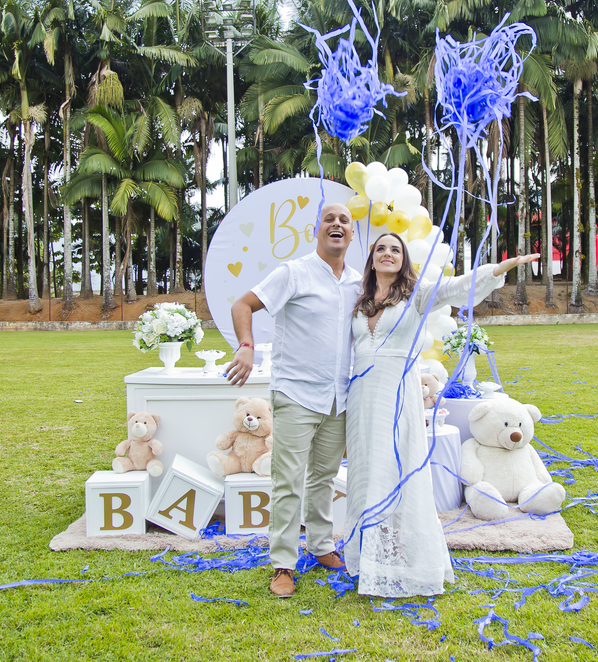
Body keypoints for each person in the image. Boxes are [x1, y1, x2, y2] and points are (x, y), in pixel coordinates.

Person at [345, 231, 538, 597]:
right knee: (366, 470)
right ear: (372, 259)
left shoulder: (416, 295)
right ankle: (369, 555)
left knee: (398, 468)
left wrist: (499, 269)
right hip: (361, 397)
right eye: (381, 249)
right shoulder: (359, 300)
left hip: (397, 394)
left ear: (403, 259)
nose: (387, 254)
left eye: (395, 249)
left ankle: (404, 556)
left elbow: (457, 287)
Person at [225, 202, 360, 599]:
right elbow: (242, 304)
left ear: (352, 234)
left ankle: (321, 545)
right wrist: (246, 346)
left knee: (324, 478)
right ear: (316, 230)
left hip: (338, 398)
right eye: (329, 219)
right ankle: (283, 562)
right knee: (287, 482)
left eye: (344, 221)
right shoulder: (294, 272)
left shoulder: (358, 283)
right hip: (296, 394)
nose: (337, 224)